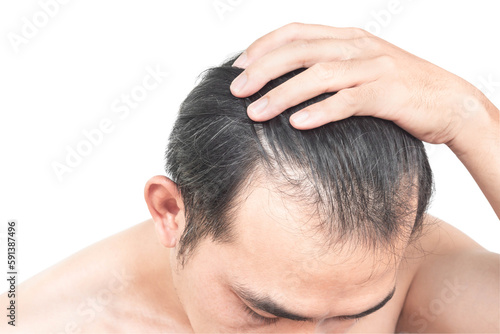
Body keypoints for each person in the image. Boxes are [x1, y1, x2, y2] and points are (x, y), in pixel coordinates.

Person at [1, 23, 498, 333]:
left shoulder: (405, 269)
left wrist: (470, 117)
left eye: (349, 318)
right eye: (261, 313)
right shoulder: (39, 323)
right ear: (171, 212)